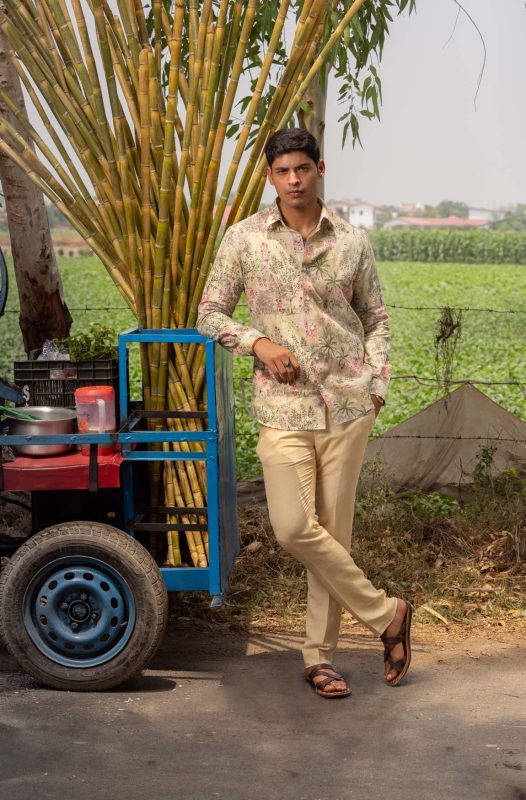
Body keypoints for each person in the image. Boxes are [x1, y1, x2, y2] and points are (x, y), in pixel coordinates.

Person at [197, 128, 412, 698]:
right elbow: (210, 313)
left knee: (333, 534)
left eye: (302, 169)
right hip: (281, 408)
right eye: (282, 171)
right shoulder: (244, 240)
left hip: (346, 405)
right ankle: (388, 613)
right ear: (270, 177)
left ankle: (320, 658)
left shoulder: (353, 242)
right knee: (294, 528)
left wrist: (377, 388)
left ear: (320, 169)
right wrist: (258, 343)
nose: (293, 180)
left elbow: (377, 319)